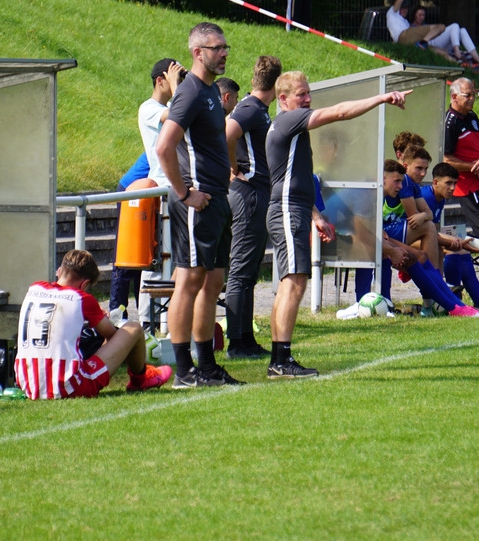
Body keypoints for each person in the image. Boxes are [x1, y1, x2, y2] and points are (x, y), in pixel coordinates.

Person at [266, 71, 413, 378]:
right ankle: (280, 360)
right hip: (287, 210)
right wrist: (382, 98)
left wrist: (316, 216)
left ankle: (279, 358)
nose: (308, 99)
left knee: (292, 281)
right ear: (283, 99)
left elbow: (296, 178)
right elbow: (340, 112)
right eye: (301, 95)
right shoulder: (288, 121)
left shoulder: (291, 129)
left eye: (308, 93)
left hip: (295, 209)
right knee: (294, 281)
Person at [155, 22, 242, 388]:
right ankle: (183, 370)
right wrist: (184, 192)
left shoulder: (208, 91)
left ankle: (206, 365)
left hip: (216, 199)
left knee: (213, 282)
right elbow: (163, 147)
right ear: (197, 52)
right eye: (216, 48)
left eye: (225, 47)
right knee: (189, 281)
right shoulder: (190, 92)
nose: (223, 53)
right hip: (197, 202)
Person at [14, 249, 172, 399]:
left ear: (59, 271)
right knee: (133, 329)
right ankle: (140, 379)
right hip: (69, 386)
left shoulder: (35, 288)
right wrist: (101, 319)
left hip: (28, 383)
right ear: (84, 284)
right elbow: (113, 337)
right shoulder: (81, 298)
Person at [380, 159, 479, 318]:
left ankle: (462, 301)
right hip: (388, 237)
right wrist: (451, 242)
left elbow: (433, 228)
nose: (423, 173)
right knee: (437, 247)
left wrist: (453, 241)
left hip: (390, 236)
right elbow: (419, 225)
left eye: (425, 168)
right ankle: (446, 299)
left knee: (436, 252)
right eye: (419, 168)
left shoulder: (428, 194)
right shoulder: (420, 193)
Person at [224, 56, 281, 359]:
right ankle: (236, 343)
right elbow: (227, 132)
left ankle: (246, 338)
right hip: (248, 195)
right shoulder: (250, 108)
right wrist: (234, 168)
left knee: (248, 272)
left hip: (256, 195)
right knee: (240, 271)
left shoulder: (257, 108)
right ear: (277, 84)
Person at [421, 162, 479, 314]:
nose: (452, 188)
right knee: (456, 249)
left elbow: (433, 231)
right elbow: (428, 234)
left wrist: (458, 243)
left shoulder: (439, 198)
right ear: (435, 182)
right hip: (410, 239)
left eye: (455, 183)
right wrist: (453, 243)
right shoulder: (427, 197)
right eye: (448, 183)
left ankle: (477, 302)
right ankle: (454, 302)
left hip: (424, 236)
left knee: (462, 250)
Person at [137, 57, 186, 327]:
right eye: (174, 78)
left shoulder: (168, 107)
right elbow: (178, 114)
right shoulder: (149, 109)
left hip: (176, 190)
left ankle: (170, 321)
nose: (180, 83)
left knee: (176, 259)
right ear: (160, 81)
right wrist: (179, 90)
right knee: (157, 260)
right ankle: (148, 323)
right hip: (161, 192)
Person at [443, 77, 479, 248]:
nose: (472, 99)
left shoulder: (472, 116)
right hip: (469, 187)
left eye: (473, 95)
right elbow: (447, 160)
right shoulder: (450, 123)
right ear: (454, 97)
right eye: (467, 95)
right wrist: (475, 168)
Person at [109, 152, 150, 317]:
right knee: (126, 254)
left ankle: (145, 315)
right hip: (132, 191)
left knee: (144, 254)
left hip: (147, 192)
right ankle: (117, 315)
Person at [410, 5, 479, 69]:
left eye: (423, 15)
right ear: (414, 15)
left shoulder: (426, 25)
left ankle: (477, 59)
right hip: (430, 44)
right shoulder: (411, 28)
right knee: (455, 25)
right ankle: (457, 52)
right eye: (420, 15)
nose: (422, 17)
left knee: (462, 30)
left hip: (440, 43)